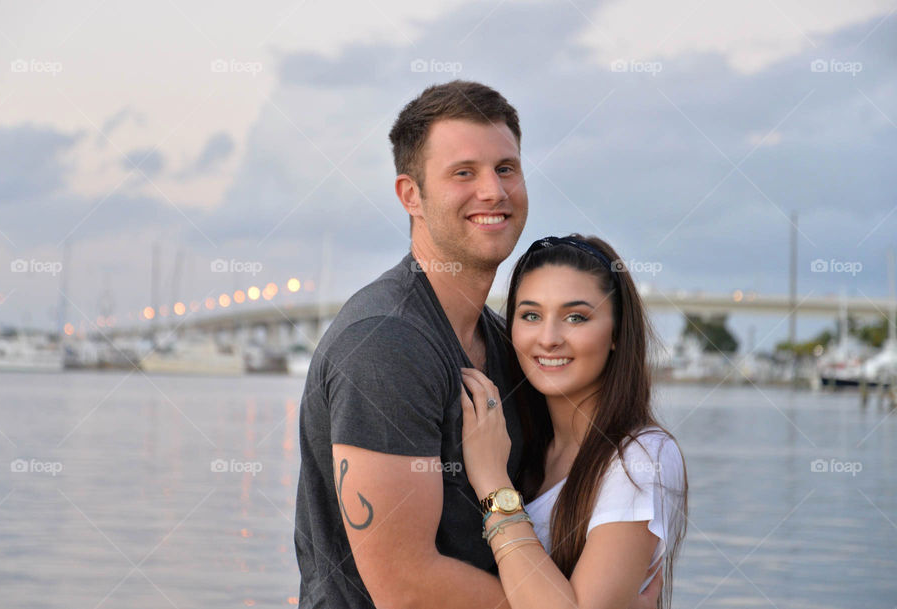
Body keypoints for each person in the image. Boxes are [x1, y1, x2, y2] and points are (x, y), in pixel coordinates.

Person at [294, 80, 662, 609]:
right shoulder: (385, 344)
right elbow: (406, 586)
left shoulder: (505, 343)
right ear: (411, 195)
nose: (493, 190)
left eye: (506, 168)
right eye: (463, 172)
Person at [459, 234, 688, 609]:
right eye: (531, 315)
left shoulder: (641, 458)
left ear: (616, 333)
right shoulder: (523, 442)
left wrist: (491, 482)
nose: (548, 338)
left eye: (576, 317)